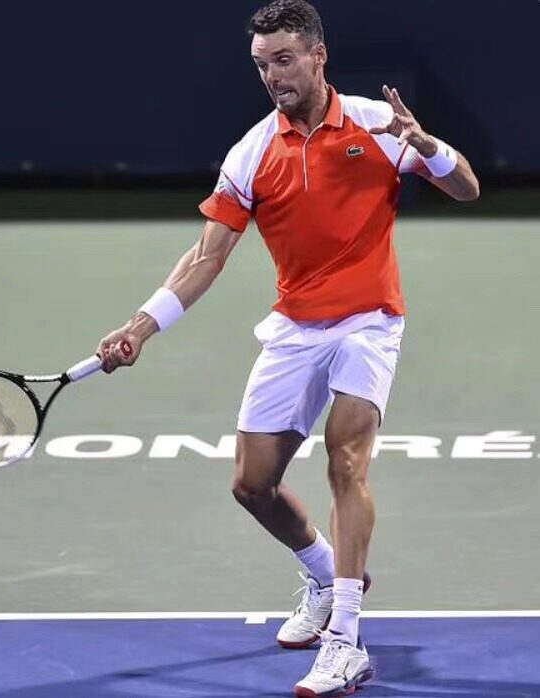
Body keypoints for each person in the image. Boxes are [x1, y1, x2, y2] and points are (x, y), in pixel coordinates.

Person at [96, 1, 480, 695]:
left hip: (369, 321)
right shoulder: (251, 153)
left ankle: (346, 643)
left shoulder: (376, 124)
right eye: (262, 64)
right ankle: (327, 576)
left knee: (345, 458)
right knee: (252, 485)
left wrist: (426, 146)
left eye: (284, 60)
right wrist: (140, 326)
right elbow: (207, 257)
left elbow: (467, 188)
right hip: (296, 327)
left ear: (317, 56)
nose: (273, 75)